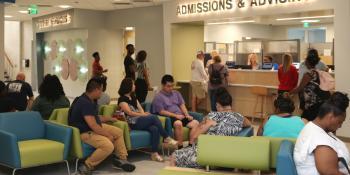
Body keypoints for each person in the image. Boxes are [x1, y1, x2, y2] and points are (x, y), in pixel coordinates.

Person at [170, 87, 251, 168]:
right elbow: (248, 124)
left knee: (174, 156)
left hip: (208, 154)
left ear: (217, 105)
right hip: (226, 156)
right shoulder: (239, 117)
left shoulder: (211, 116)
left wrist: (207, 125)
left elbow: (194, 137)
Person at [68, 78, 135, 174]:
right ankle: (87, 165)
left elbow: (94, 117)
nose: (102, 93)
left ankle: (121, 158)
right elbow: (93, 125)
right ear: (95, 90)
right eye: (101, 90)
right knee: (108, 145)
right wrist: (108, 135)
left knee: (118, 132)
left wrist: (109, 118)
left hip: (92, 128)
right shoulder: (84, 102)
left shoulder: (91, 100)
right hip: (84, 132)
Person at [118, 78, 178, 162]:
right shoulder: (122, 100)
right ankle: (166, 137)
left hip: (139, 120)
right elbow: (129, 113)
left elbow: (140, 108)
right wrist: (142, 115)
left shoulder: (133, 97)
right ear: (128, 86)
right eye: (133, 84)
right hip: (132, 122)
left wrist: (143, 114)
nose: (135, 86)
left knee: (155, 129)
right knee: (153, 117)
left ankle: (154, 153)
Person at [294, 92, 350, 175]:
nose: (340, 126)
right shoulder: (321, 141)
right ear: (330, 117)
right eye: (339, 122)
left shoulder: (313, 128)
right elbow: (331, 173)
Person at [151, 74, 199, 149]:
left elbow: (182, 105)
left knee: (195, 123)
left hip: (181, 116)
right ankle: (180, 147)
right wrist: (176, 116)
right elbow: (161, 111)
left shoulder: (176, 93)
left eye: (172, 86)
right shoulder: (158, 97)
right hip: (169, 118)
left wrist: (187, 115)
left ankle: (190, 146)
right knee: (178, 123)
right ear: (163, 85)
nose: (171, 88)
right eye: (168, 86)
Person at [290, 49, 331, 121]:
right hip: (320, 102)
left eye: (306, 61)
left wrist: (288, 93)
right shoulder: (318, 73)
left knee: (305, 120)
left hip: (312, 104)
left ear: (308, 62)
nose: (304, 62)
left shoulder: (308, 75)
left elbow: (299, 88)